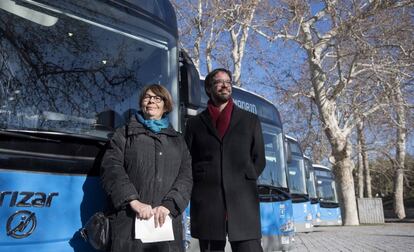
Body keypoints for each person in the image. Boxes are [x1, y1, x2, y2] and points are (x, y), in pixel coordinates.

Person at [100, 84, 192, 252]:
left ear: (166, 105)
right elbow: (111, 168)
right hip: (128, 224)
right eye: (147, 97)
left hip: (167, 226)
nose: (151, 101)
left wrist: (169, 205)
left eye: (157, 98)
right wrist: (132, 201)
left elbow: (186, 177)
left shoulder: (178, 140)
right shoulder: (124, 134)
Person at [185, 68, 266, 252]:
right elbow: (187, 159)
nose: (224, 85)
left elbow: (259, 158)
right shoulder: (194, 123)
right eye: (219, 82)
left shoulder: (250, 120)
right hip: (207, 201)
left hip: (243, 201)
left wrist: (246, 176)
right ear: (209, 88)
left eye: (228, 82)